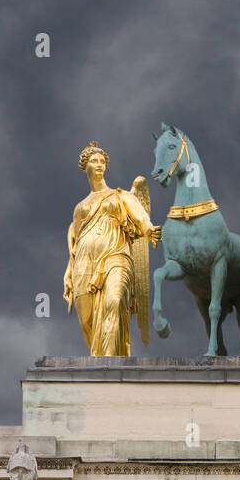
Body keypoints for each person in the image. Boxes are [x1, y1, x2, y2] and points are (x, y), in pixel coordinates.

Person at [64, 142, 161, 355]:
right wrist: (69, 272)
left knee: (115, 302)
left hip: (116, 257)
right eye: (94, 161)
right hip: (84, 264)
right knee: (86, 319)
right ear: (85, 167)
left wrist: (149, 230)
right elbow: (76, 243)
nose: (99, 165)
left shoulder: (121, 196)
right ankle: (99, 363)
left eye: (102, 162)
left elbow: (140, 216)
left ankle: (109, 366)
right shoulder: (79, 208)